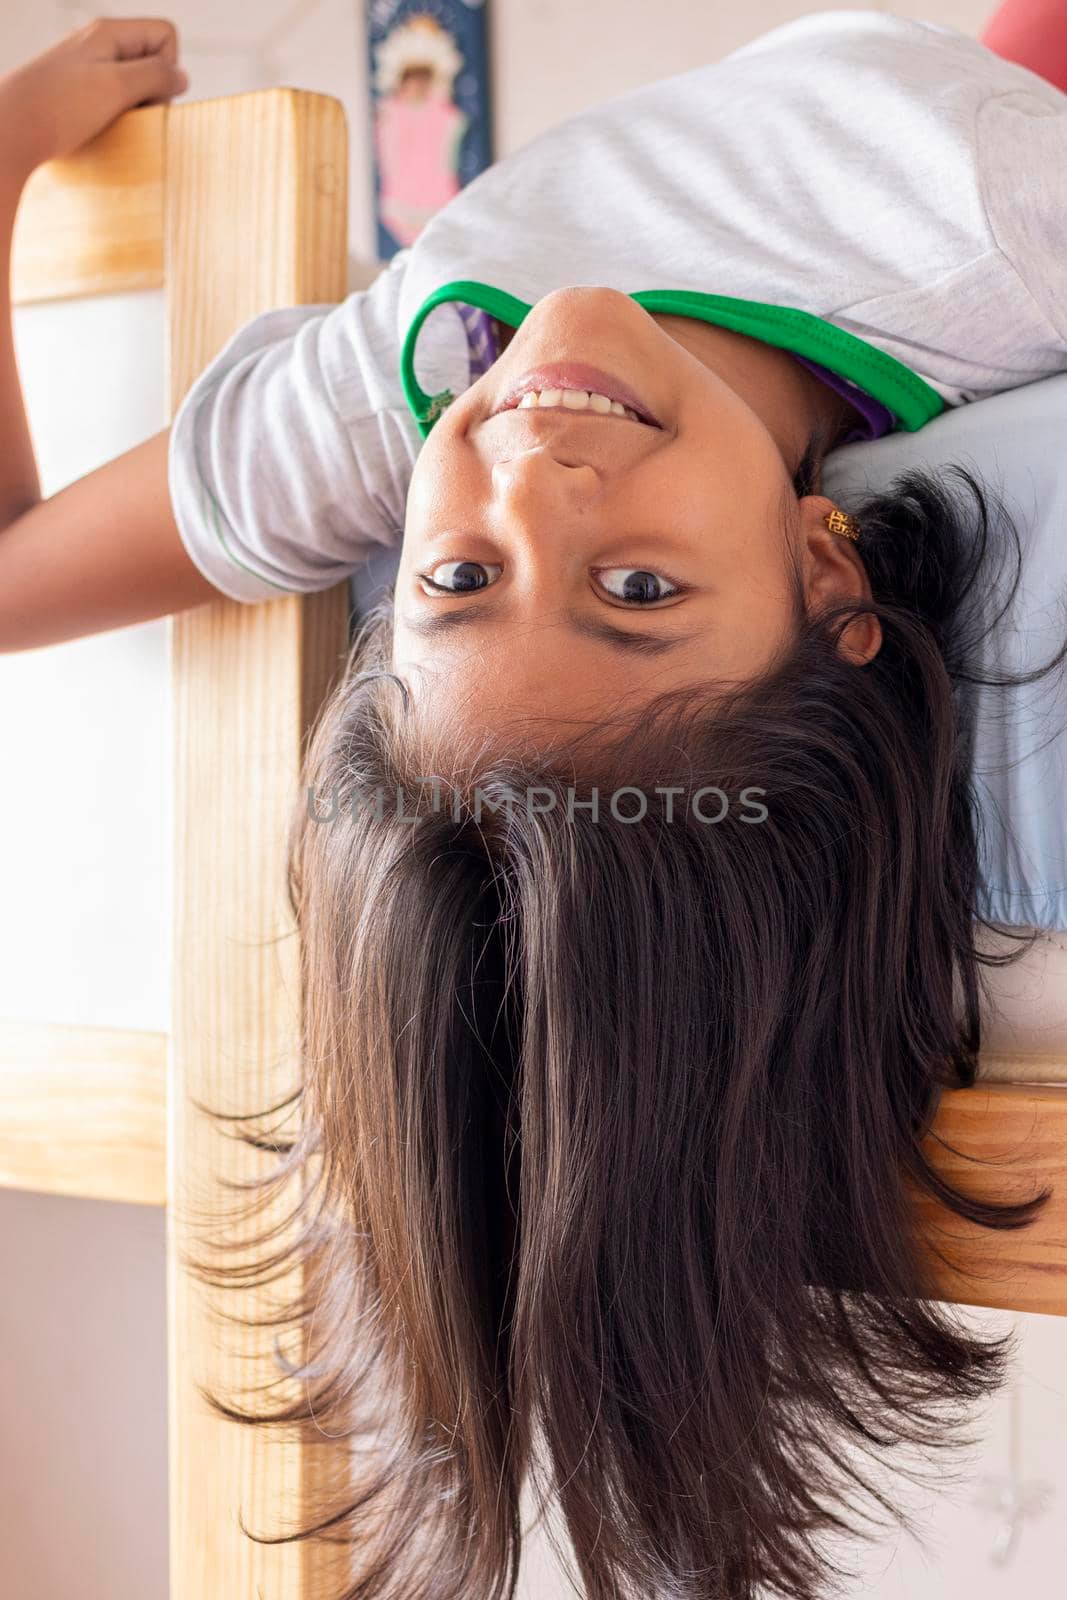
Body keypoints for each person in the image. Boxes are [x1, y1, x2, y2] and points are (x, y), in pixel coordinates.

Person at [1, 10, 1066, 1598]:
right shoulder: (1001, 239)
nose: (539, 474)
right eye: (636, 588)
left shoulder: (366, 416)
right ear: (828, 566)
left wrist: (8, 153)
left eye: (459, 579)